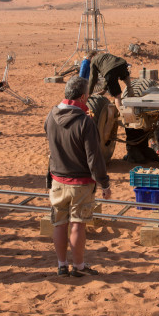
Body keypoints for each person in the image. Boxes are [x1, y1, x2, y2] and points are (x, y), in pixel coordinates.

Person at [45, 76, 111, 277]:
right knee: (77, 224)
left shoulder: (51, 115)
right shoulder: (85, 122)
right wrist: (104, 183)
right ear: (83, 96)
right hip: (80, 183)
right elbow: (94, 157)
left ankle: (61, 264)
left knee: (58, 223)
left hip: (57, 180)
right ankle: (79, 266)